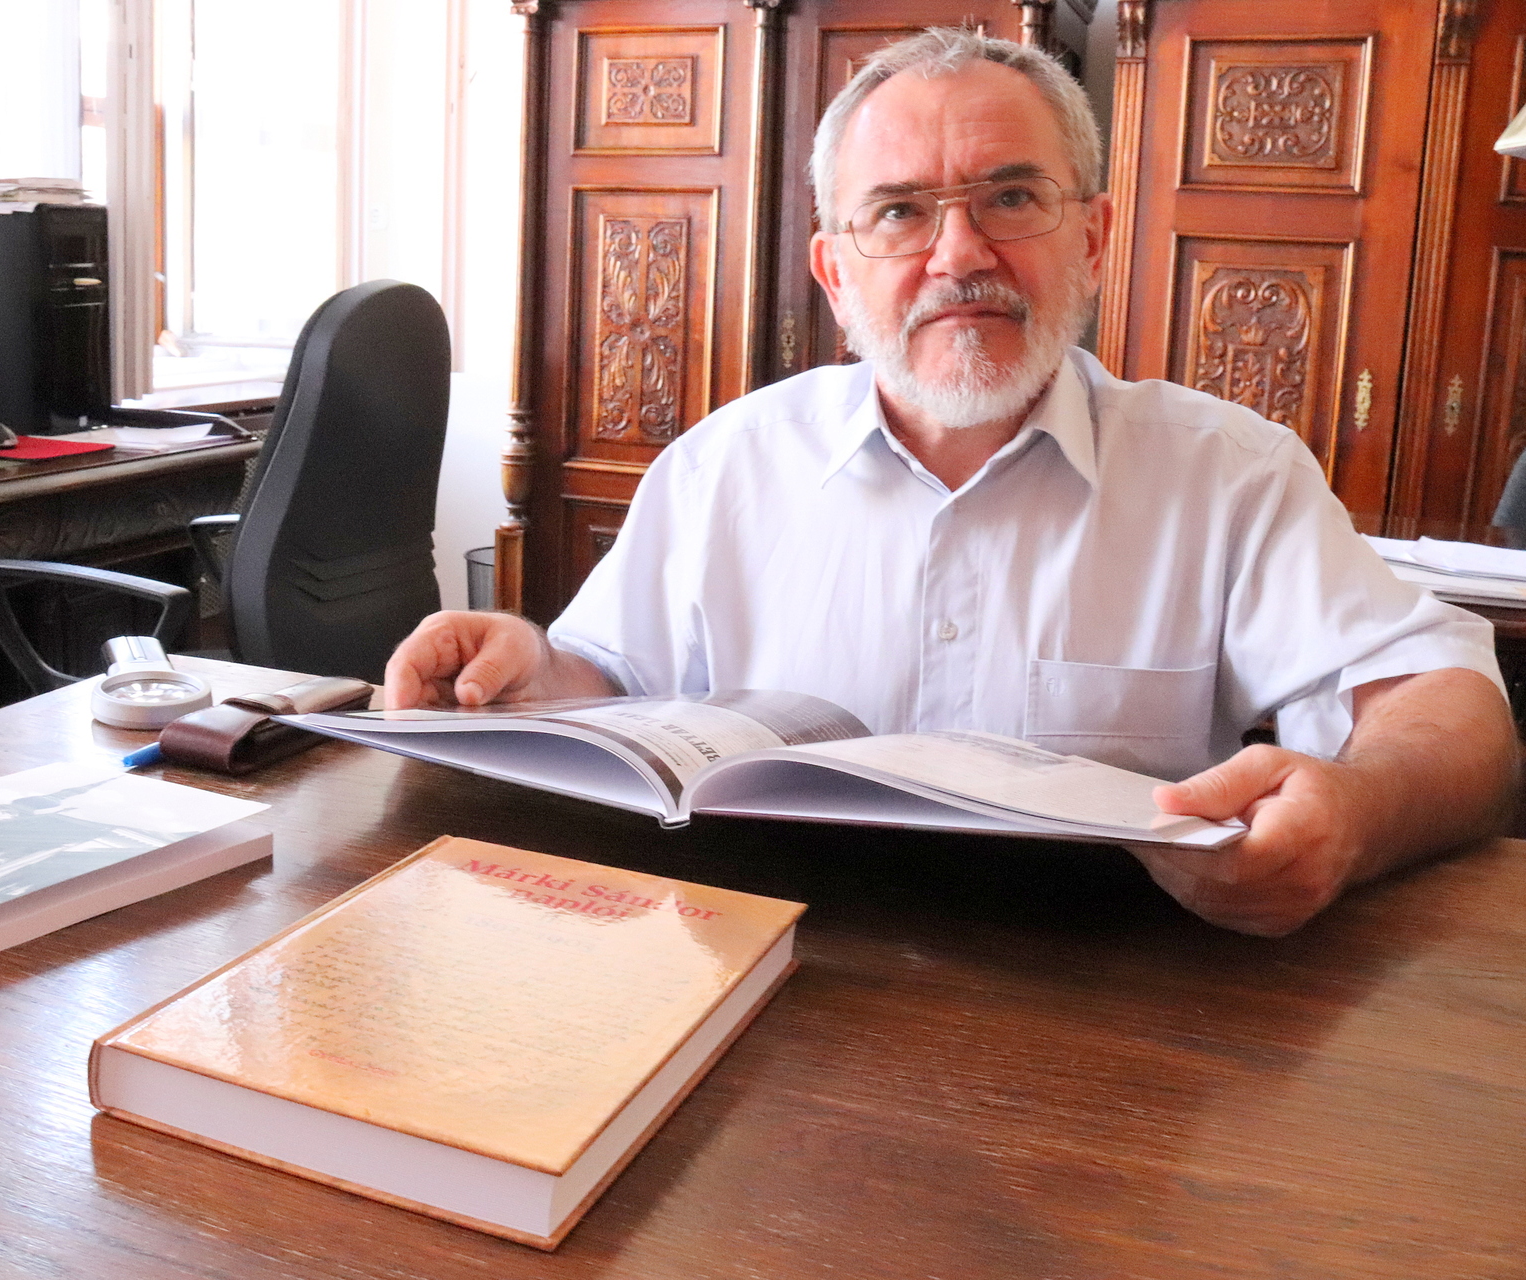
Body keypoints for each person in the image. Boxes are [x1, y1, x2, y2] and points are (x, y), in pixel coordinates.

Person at [385, 28, 1518, 937]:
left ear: (1094, 238)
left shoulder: (1228, 475)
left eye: (1012, 199)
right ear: (837, 274)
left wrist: (1356, 812)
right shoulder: (724, 465)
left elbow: (1454, 707)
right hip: (756, 979)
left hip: (1113, 1026)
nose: (960, 254)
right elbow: (614, 682)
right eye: (899, 212)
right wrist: (527, 674)